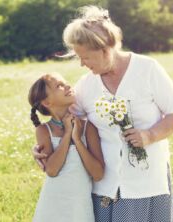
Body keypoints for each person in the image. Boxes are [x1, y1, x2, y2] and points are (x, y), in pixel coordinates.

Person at [33, 5, 173, 222]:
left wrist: (149, 135)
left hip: (146, 179)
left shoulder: (148, 69)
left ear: (104, 50)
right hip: (105, 185)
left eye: (85, 57)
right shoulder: (86, 85)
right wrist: (41, 146)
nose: (82, 64)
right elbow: (63, 118)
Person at [28, 73, 105, 222]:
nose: (68, 86)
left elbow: (98, 174)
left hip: (80, 206)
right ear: (46, 102)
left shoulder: (88, 127)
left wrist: (77, 139)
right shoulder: (44, 130)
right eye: (59, 86)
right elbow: (52, 170)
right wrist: (68, 133)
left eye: (65, 83)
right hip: (52, 204)